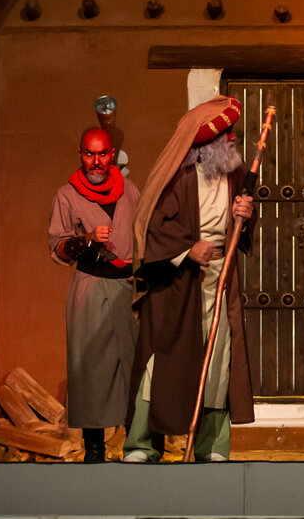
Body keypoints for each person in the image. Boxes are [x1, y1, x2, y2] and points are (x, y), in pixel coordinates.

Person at [123, 96, 255, 462]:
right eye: (226, 134)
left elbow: (241, 231)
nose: (232, 139)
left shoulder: (237, 176)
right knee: (160, 362)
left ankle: (212, 445)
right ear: (207, 143)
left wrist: (245, 216)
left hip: (220, 281)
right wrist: (187, 248)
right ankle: (143, 444)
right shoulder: (178, 177)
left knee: (218, 361)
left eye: (232, 132)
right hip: (178, 283)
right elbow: (153, 225)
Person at [48, 127, 141, 463]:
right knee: (90, 369)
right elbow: (58, 245)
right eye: (90, 154)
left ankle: (137, 446)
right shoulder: (67, 195)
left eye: (102, 154)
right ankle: (94, 448)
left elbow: (143, 233)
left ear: (112, 154)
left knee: (132, 366)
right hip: (90, 286)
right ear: (80, 154)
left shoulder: (129, 191)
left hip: (125, 288)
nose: (96, 161)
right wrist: (86, 239)